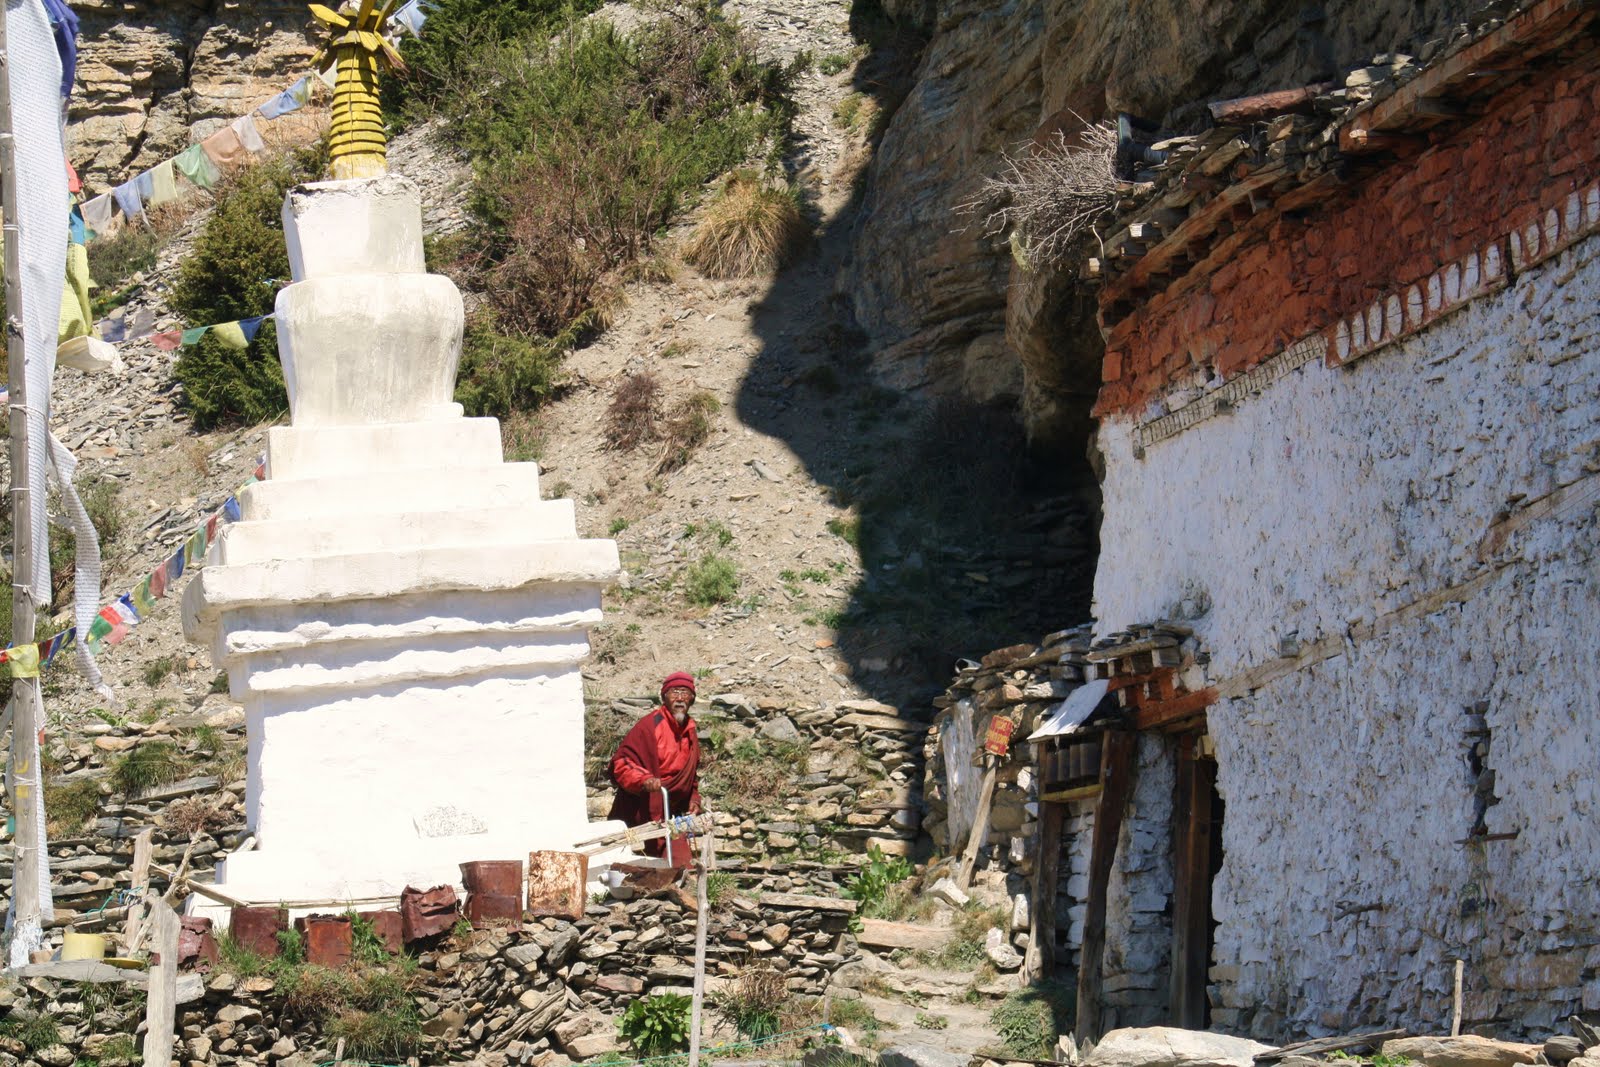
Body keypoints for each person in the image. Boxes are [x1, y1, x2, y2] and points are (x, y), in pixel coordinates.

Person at [607, 671, 702, 867]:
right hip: (642, 808)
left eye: (685, 693)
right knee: (634, 865)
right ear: (664, 696)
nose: (680, 699)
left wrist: (693, 797)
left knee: (680, 863)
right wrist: (643, 779)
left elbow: (691, 774)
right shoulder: (649, 726)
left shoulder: (690, 731)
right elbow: (622, 763)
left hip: (671, 812)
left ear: (692, 699)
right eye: (674, 692)